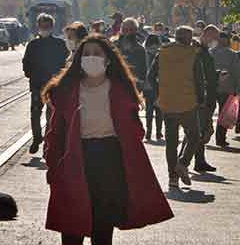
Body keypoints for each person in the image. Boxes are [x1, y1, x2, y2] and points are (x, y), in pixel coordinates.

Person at [43, 35, 173, 245]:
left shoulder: (121, 90)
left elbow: (136, 130)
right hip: (75, 159)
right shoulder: (66, 91)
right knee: (71, 226)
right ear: (78, 59)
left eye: (97, 54)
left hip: (110, 161)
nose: (91, 58)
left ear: (108, 60)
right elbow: (55, 135)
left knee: (102, 228)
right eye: (86, 54)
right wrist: (53, 167)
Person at [148, 26, 204, 189]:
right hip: (188, 103)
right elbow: (199, 80)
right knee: (194, 136)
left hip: (167, 103)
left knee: (171, 142)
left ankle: (173, 178)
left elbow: (150, 76)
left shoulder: (162, 53)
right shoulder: (193, 54)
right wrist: (201, 100)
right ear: (188, 39)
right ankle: (183, 163)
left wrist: (159, 93)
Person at [22, 14, 69, 154]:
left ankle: (48, 143)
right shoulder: (33, 45)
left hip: (53, 86)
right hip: (37, 85)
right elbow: (26, 62)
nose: (44, 29)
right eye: (42, 26)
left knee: (51, 115)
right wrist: (30, 74)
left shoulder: (60, 44)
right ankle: (37, 138)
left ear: (52, 27)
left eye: (47, 26)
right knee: (35, 113)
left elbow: (65, 63)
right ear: (38, 26)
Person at [193, 24, 220, 173]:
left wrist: (216, 74)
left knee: (203, 130)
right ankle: (187, 160)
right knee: (202, 130)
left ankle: (198, 160)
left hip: (209, 95)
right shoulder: (198, 51)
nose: (215, 41)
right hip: (202, 97)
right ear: (206, 34)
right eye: (214, 37)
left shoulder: (205, 51)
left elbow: (207, 73)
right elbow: (199, 74)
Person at [211, 31, 240, 147]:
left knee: (208, 112)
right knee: (224, 113)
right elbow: (238, 72)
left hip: (211, 87)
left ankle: (205, 134)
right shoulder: (232, 54)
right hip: (227, 88)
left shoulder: (210, 52)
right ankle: (220, 138)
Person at [115, 18, 147, 91]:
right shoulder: (114, 47)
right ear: (121, 30)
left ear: (136, 30)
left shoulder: (140, 49)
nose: (128, 32)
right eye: (125, 30)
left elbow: (143, 71)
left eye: (131, 30)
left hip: (134, 87)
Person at [143, 34, 163, 141]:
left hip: (147, 86)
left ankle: (149, 132)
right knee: (159, 111)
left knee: (149, 111)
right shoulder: (161, 54)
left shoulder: (144, 53)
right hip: (158, 86)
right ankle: (158, 133)